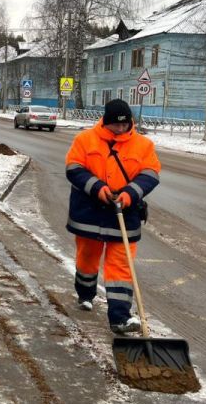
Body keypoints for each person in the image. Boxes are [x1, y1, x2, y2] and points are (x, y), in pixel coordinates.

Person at [64, 98, 161, 334]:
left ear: (131, 122)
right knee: (87, 257)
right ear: (105, 122)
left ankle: (120, 317)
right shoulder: (85, 140)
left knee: (121, 265)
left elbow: (151, 174)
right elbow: (73, 168)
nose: (119, 129)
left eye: (124, 124)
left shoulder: (143, 145)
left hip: (124, 214)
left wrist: (129, 194)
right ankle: (86, 294)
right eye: (114, 125)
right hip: (89, 211)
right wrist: (98, 188)